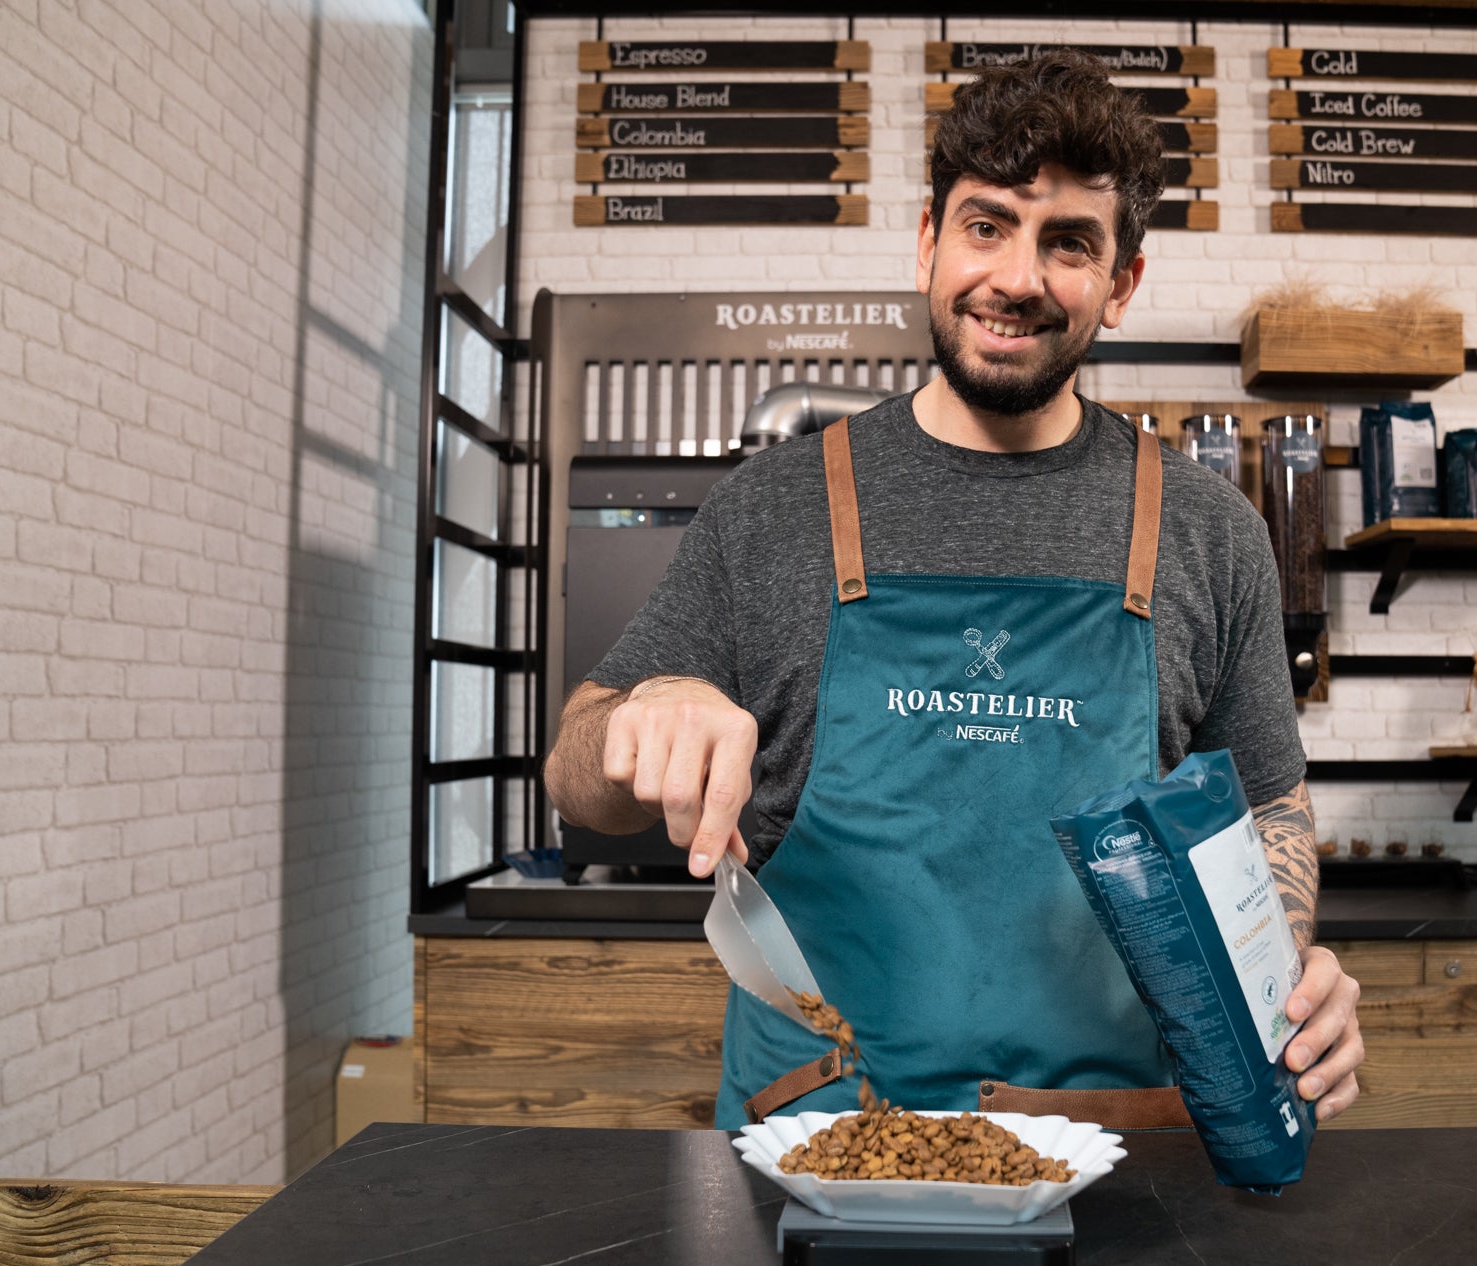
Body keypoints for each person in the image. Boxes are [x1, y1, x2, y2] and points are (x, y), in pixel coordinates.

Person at [544, 50, 1363, 1132]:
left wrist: (1290, 972)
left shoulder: (1210, 534)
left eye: (1066, 242)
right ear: (929, 243)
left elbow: (1267, 806)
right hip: (814, 1146)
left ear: (1119, 284)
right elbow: (574, 774)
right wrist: (642, 717)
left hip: (1115, 1157)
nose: (1016, 278)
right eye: (985, 226)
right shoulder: (774, 507)